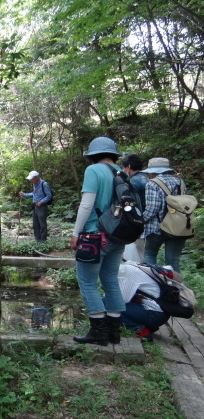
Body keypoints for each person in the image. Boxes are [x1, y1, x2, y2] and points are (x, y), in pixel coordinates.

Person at [70, 137, 125, 345]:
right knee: (110, 281)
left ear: (92, 155)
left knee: (87, 283)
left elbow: (86, 205)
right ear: (114, 155)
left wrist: (76, 233)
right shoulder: (121, 172)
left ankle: (98, 333)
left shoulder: (93, 171)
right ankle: (114, 333)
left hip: (94, 236)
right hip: (117, 236)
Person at [142, 157, 185, 274]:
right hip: (178, 227)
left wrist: (140, 220)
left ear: (153, 171)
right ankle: (177, 290)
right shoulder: (180, 182)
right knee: (173, 262)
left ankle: (152, 286)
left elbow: (152, 208)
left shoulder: (152, 184)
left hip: (156, 227)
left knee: (149, 255)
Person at [110, 262, 171, 339]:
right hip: (162, 313)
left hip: (154, 314)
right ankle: (149, 327)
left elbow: (123, 299)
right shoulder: (134, 265)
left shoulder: (129, 272)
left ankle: (139, 330)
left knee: (108, 304)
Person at [120, 154, 148, 259]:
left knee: (139, 252)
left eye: (123, 167)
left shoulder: (134, 182)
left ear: (129, 167)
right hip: (149, 219)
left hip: (138, 219)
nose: (123, 169)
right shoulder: (147, 177)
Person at [19, 170, 52, 243]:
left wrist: (41, 202)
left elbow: (49, 196)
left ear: (37, 177)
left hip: (42, 207)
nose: (30, 180)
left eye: (32, 178)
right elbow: (34, 194)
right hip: (35, 207)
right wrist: (24, 194)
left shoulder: (44, 184)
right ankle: (37, 240)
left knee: (42, 224)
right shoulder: (34, 184)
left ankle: (43, 241)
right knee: (35, 224)